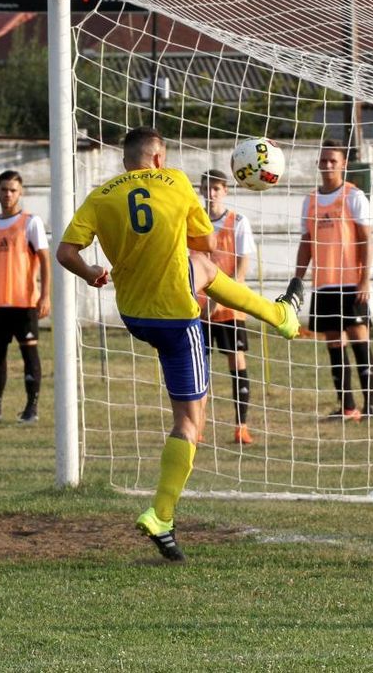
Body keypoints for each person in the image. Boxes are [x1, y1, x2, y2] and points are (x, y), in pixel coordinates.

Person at [56, 127, 301, 562]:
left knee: (201, 268)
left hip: (135, 315)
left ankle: (280, 315)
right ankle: (161, 515)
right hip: (177, 317)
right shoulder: (177, 182)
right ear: (158, 158)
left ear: (127, 160)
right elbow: (205, 241)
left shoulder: (102, 195)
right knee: (191, 423)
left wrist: (93, 271)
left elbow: (65, 252)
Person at [292, 141, 373, 421]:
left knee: (359, 341)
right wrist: (297, 279)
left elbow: (366, 238)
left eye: (333, 161)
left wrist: (365, 279)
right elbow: (306, 242)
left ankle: (371, 406)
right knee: (334, 346)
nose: (327, 165)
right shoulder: (310, 200)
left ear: (343, 165)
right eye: (323, 160)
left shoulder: (353, 195)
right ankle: (347, 407)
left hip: (352, 283)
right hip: (324, 284)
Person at [0, 170, 52, 424]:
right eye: (4, 189)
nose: (8, 194)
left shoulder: (30, 222)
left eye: (13, 190)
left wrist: (45, 295)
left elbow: (45, 260)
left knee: (29, 355)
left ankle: (31, 409)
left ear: (21, 192)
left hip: (24, 302)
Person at [196, 171, 258, 445]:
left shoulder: (239, 222)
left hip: (228, 308)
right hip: (198, 309)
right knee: (199, 368)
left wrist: (218, 299)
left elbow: (240, 272)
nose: (211, 194)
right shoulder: (194, 223)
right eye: (207, 188)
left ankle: (241, 425)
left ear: (225, 191)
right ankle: (197, 427)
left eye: (217, 189)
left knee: (237, 360)